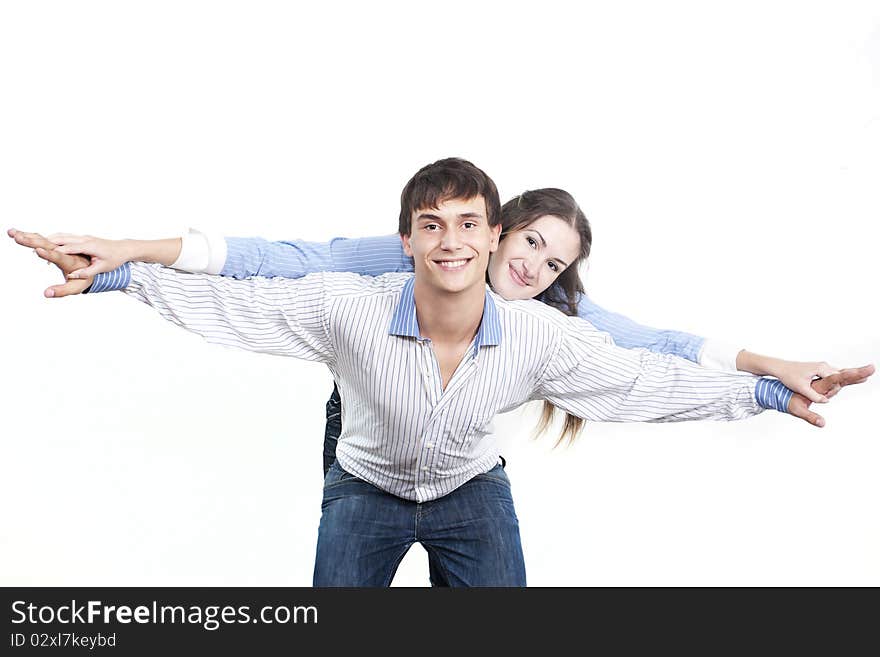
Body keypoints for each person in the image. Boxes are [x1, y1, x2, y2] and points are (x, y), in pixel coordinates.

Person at [9, 158, 874, 587]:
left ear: (490, 235)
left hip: (469, 476)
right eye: (435, 227)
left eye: (546, 255)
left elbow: (655, 364)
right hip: (366, 456)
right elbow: (256, 276)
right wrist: (122, 263)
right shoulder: (357, 287)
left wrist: (767, 377)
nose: (527, 261)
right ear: (415, 236)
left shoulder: (549, 326)